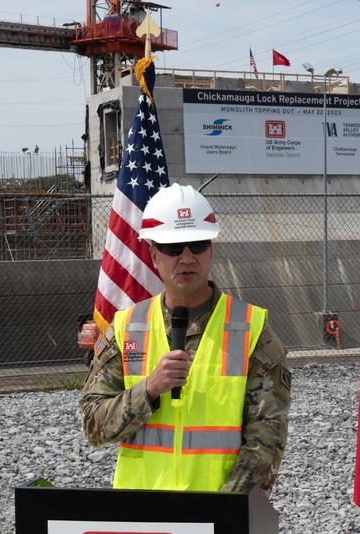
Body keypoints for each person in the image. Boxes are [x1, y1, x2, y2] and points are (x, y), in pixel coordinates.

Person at [80, 184, 291, 497]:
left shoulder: (251, 328)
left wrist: (224, 513)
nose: (188, 257)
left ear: (211, 249)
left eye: (198, 244)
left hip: (217, 517)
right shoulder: (128, 327)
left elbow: (267, 436)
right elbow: (93, 425)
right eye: (174, 248)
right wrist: (149, 390)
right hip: (143, 520)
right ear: (153, 255)